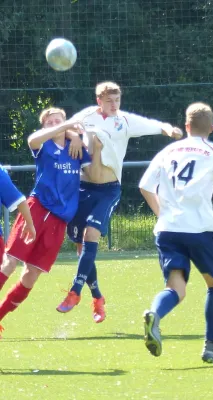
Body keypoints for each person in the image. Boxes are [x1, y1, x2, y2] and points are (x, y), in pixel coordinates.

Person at [56, 81, 183, 323]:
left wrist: (167, 129)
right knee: (82, 247)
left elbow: (150, 125)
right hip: (83, 188)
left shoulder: (123, 121)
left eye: (117, 100)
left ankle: (75, 291)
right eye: (109, 101)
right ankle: (98, 298)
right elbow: (65, 128)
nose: (114, 105)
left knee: (91, 234)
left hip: (108, 189)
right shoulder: (87, 116)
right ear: (99, 101)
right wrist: (73, 136)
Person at [139, 102, 213, 363]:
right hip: (200, 230)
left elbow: (144, 185)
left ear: (186, 126)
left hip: (167, 230)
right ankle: (210, 348)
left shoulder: (168, 151)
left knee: (176, 287)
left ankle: (155, 313)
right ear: (211, 127)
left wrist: (162, 213)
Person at [0, 107, 102, 335]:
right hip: (38, 209)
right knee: (10, 262)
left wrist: (81, 136)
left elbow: (94, 168)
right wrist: (67, 127)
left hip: (59, 220)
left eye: (59, 120)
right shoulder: (44, 145)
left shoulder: (75, 147)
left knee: (31, 275)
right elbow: (31, 140)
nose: (55, 124)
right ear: (45, 126)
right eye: (50, 122)